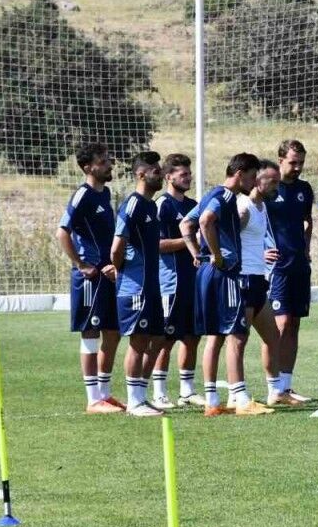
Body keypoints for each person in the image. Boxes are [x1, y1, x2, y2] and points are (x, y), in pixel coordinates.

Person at [181, 153, 274, 416]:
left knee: (216, 335)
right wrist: (217, 255)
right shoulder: (224, 196)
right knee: (236, 333)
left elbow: (186, 224)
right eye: (252, 176)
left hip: (209, 271)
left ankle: (212, 400)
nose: (254, 182)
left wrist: (197, 254)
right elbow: (204, 221)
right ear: (240, 174)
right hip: (224, 272)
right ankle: (240, 399)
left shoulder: (211, 194)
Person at [55, 142, 121, 414]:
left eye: (108, 160)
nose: (109, 164)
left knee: (113, 332)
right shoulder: (82, 195)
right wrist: (81, 264)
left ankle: (105, 393)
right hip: (90, 278)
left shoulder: (106, 193)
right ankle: (93, 399)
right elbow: (62, 232)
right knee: (91, 332)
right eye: (103, 161)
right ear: (88, 168)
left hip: (109, 273)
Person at [110, 151, 166, 417]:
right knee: (138, 340)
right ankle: (134, 402)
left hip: (151, 285)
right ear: (141, 174)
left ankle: (142, 396)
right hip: (135, 287)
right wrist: (121, 270)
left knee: (156, 338)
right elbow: (116, 247)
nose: (161, 174)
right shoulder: (132, 204)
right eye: (156, 171)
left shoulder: (151, 206)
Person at [237, 160, 293, 407]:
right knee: (238, 340)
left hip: (259, 280)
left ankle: (276, 391)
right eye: (273, 182)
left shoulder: (261, 207)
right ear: (256, 180)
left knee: (272, 336)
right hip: (243, 280)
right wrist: (260, 255)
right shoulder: (243, 206)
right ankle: (238, 394)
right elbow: (227, 239)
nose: (276, 187)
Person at [265, 140, 314, 404]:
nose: (297, 167)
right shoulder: (269, 188)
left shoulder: (304, 189)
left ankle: (285, 385)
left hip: (299, 266)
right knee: (279, 325)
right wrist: (262, 250)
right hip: (277, 268)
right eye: (293, 162)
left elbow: (307, 220)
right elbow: (252, 221)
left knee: (294, 324)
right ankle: (272, 387)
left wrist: (306, 247)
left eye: (301, 163)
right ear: (280, 160)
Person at [151, 153, 202, 409]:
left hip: (193, 282)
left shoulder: (193, 205)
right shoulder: (163, 205)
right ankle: (159, 393)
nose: (188, 178)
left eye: (189, 173)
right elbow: (157, 244)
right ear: (168, 177)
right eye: (183, 174)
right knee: (166, 338)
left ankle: (187, 391)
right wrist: (188, 240)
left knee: (192, 337)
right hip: (171, 282)